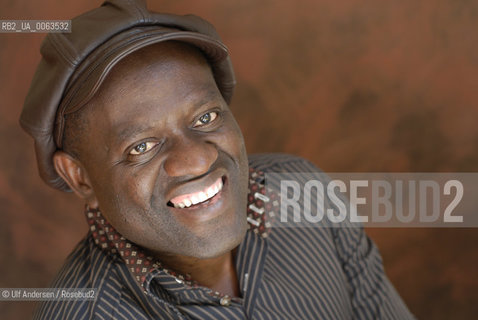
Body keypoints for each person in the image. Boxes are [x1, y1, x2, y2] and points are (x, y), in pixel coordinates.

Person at [20, 0, 415, 319]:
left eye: (205, 118)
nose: (195, 159)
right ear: (80, 178)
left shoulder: (304, 190)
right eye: (141, 147)